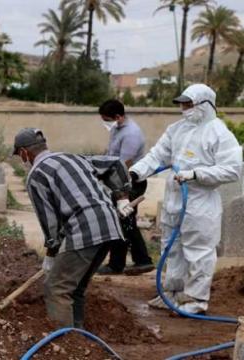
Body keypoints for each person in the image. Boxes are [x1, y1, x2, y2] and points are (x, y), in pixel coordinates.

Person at [130, 84, 242, 314]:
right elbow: (157, 154)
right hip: (174, 201)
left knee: (198, 252)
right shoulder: (177, 129)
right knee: (171, 249)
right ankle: (170, 293)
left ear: (205, 104)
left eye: (188, 104)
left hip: (200, 203)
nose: (184, 109)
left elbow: (232, 170)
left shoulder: (219, 133)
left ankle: (196, 300)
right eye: (182, 104)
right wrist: (136, 172)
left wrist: (197, 174)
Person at [14, 128, 132, 328]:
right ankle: (78, 340)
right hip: (110, 225)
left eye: (19, 155)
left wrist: (51, 255)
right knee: (75, 287)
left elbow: (50, 222)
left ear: (25, 152)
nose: (21, 160)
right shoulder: (73, 157)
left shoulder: (37, 175)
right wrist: (122, 197)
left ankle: (65, 344)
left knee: (57, 288)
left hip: (85, 230)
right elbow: (115, 163)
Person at [97, 99, 155, 276]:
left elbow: (123, 164)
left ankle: (132, 262)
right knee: (123, 222)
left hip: (130, 182)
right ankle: (128, 262)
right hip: (118, 181)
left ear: (118, 116)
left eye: (107, 119)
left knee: (125, 221)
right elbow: (110, 154)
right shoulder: (117, 128)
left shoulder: (132, 134)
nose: (105, 122)